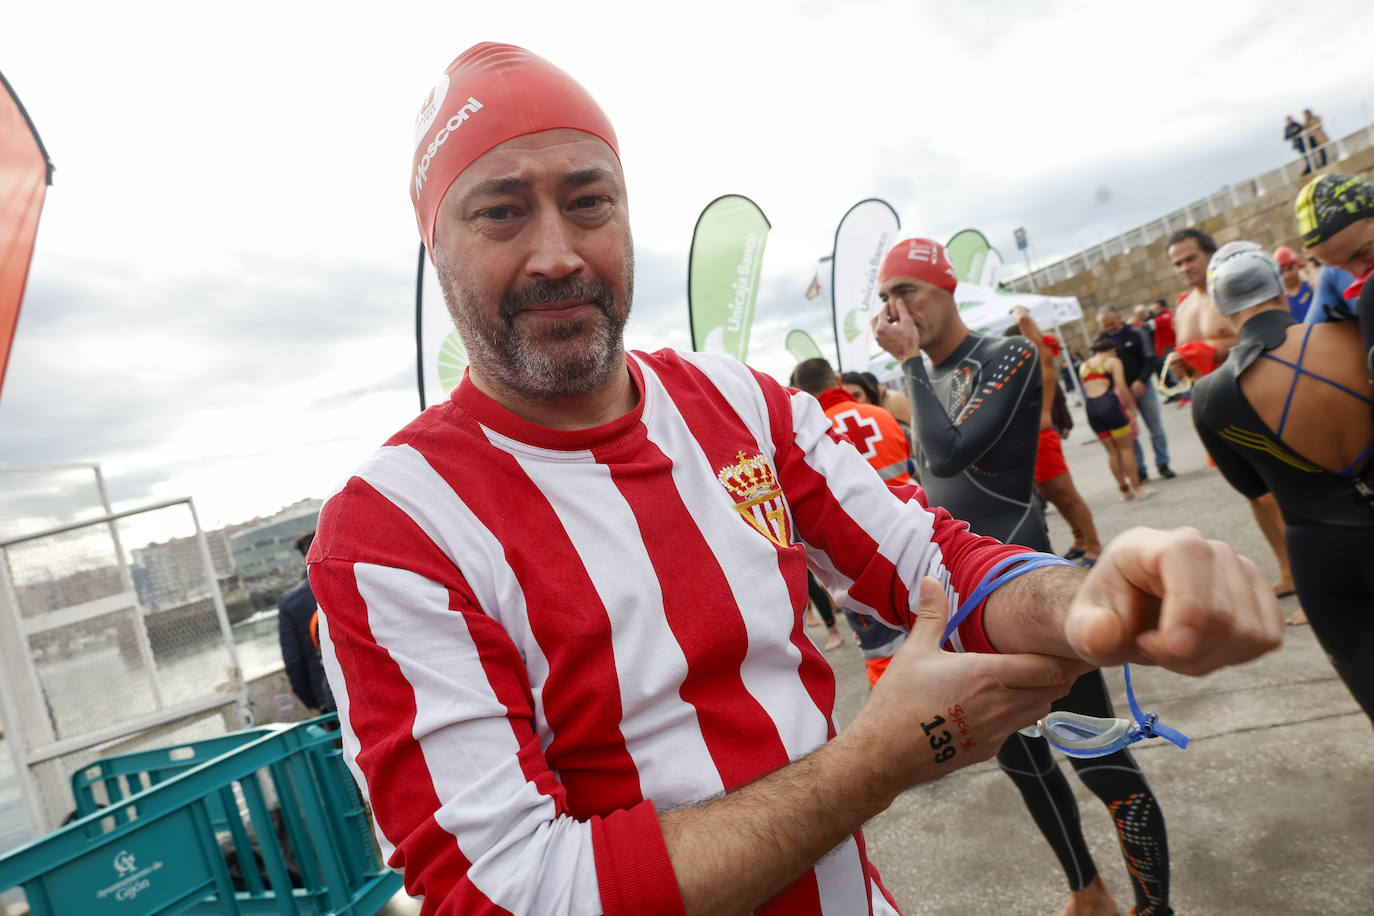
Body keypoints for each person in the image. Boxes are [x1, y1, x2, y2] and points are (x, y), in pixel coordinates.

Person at [307, 44, 1282, 916]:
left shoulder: (738, 403)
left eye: (588, 199)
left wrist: (1090, 598)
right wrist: (874, 762)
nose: (557, 252)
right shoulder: (393, 527)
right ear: (438, 248)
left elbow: (927, 558)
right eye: (502, 212)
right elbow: (507, 891)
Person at [872, 238, 1179, 916]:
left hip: (1027, 586)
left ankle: (1154, 907)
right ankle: (1086, 891)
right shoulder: (922, 381)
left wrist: (910, 363)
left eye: (908, 292)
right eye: (886, 298)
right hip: (964, 603)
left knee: (1100, 761)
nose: (897, 309)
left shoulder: (1005, 355)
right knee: (1024, 766)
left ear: (946, 288)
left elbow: (951, 457)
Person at [1191, 241, 1373, 720]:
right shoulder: (1352, 333)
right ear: (1278, 286)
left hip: (1323, 554)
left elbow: (1254, 487)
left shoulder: (1210, 395)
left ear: (1219, 305)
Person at [1167, 227, 1297, 598]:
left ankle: (1309, 575)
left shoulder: (1234, 289)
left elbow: (1257, 335)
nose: (1184, 267)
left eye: (1190, 258)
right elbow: (1188, 352)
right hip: (1216, 407)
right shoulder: (1185, 305)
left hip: (1253, 394)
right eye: (1177, 263)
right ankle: (1288, 570)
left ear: (1210, 254)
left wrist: (1209, 350)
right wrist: (1183, 364)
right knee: (1254, 494)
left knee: (1279, 492)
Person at [1004, 306, 1104, 565]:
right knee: (1053, 495)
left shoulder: (1040, 360)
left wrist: (1017, 311)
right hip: (1029, 442)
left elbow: (1026, 321)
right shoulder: (1020, 374)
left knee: (1067, 494)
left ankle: (1095, 545)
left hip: (1043, 437)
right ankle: (1080, 538)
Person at [1098, 306, 1175, 481]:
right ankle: (1139, 469)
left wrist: (1141, 381)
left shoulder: (1136, 333)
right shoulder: (1101, 341)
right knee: (1129, 433)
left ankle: (1163, 464)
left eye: (1112, 322)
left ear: (1119, 317)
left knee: (1155, 427)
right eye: (1106, 325)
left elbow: (1150, 358)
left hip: (1143, 388)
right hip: (1119, 393)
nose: (1110, 327)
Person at [1080, 335, 1152, 501]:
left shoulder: (1083, 366)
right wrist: (1129, 408)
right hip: (1109, 406)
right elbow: (1121, 386)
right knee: (1126, 449)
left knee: (1112, 452)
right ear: (1112, 350)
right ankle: (1137, 489)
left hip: (1092, 408)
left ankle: (1124, 491)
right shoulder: (1112, 362)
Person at [278, 530, 335, 714]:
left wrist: (311, 702)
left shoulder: (290, 603)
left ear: (304, 559)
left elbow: (293, 661)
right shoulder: (347, 581)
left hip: (326, 693)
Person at [1276, 245, 1313, 322]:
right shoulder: (1279, 300)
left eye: (1290, 269)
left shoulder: (1312, 287)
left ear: (1298, 266)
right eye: (1281, 272)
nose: (1287, 275)